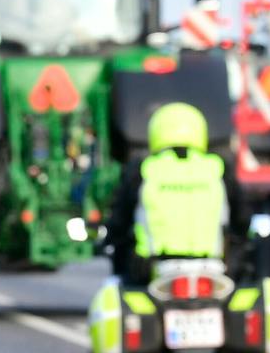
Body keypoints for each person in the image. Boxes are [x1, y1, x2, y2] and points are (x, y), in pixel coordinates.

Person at [105, 101, 249, 288]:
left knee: (114, 290)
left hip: (150, 270)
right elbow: (242, 220)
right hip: (214, 267)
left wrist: (114, 243)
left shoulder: (144, 169)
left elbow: (120, 221)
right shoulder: (218, 168)